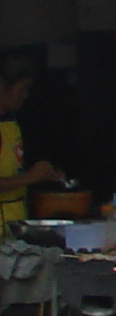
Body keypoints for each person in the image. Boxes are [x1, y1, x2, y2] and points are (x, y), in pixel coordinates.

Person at [0, 65, 62, 228]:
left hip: (13, 225)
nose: (25, 96)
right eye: (22, 89)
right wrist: (29, 177)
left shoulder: (9, 122)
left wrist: (39, 173)